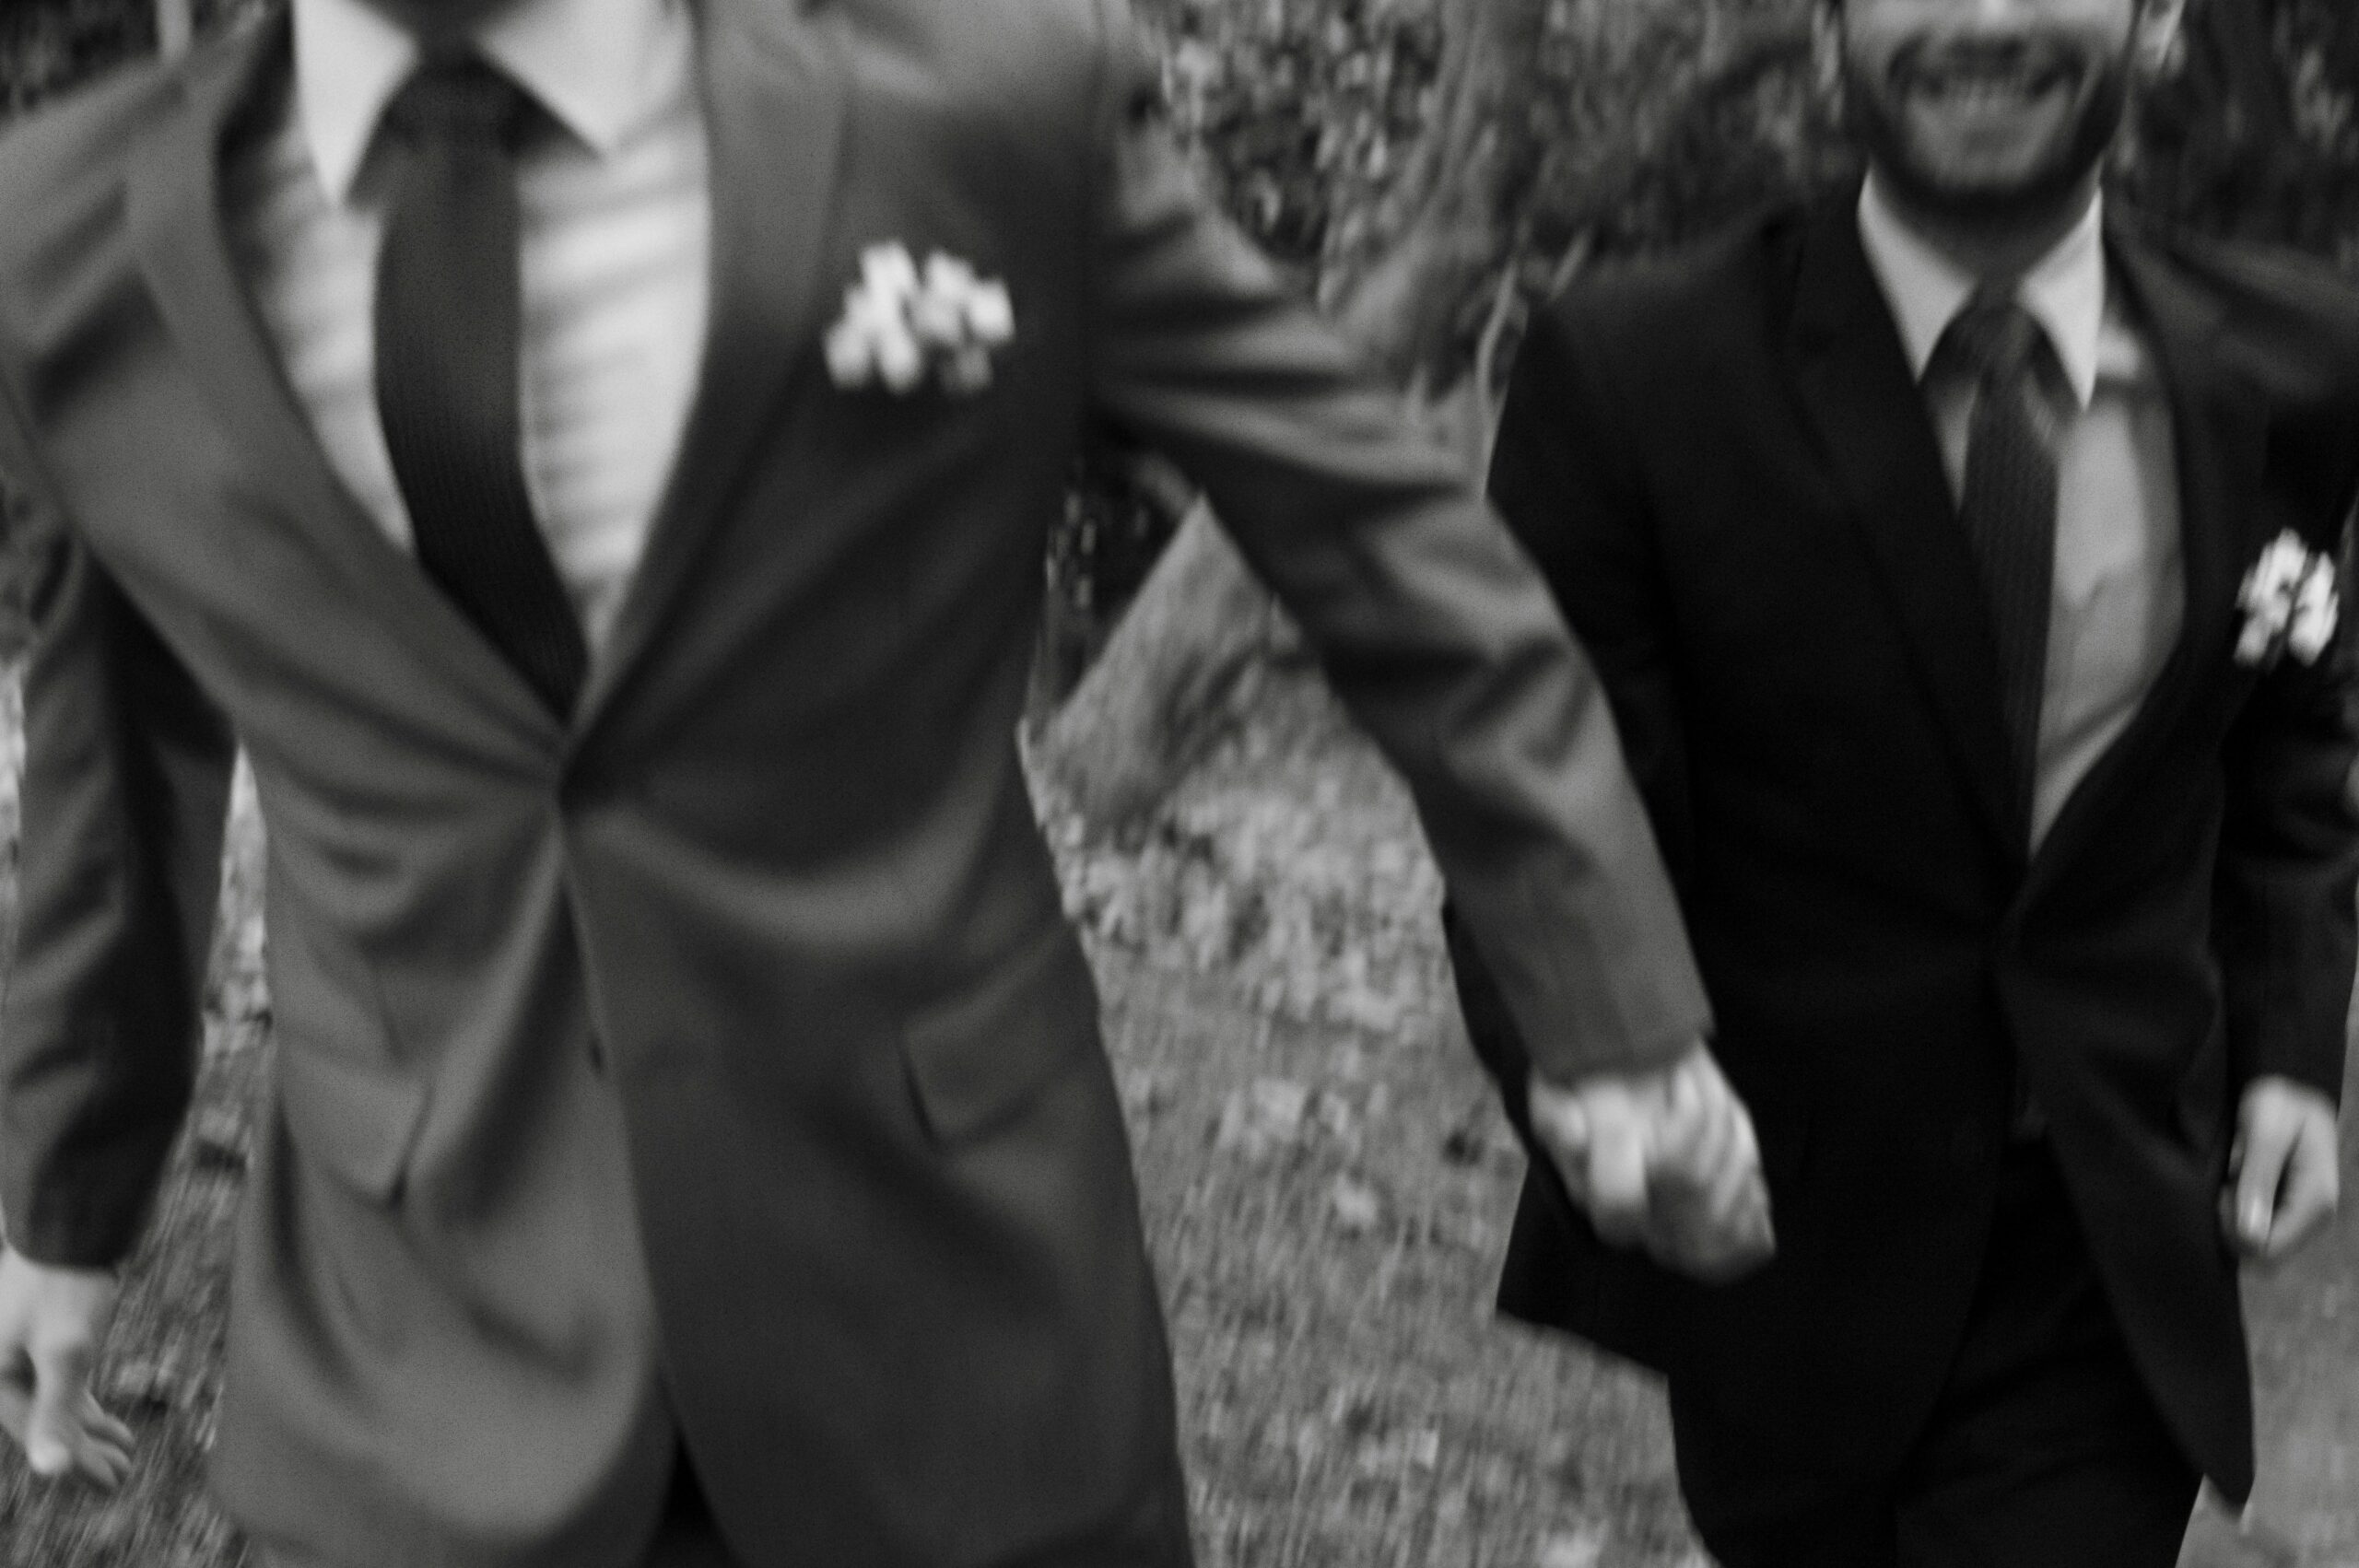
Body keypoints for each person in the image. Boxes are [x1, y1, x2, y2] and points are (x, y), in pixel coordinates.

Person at [0, 0, 1774, 1562]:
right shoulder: (69, 239)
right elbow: (115, 736)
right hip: (423, 1351)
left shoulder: (982, 111)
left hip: (948, 1325)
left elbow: (1388, 549)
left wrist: (1608, 1012)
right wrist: (66, 1197)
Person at [1449, 0, 2355, 1562]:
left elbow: (2278, 728)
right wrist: (1598, 1069)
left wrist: (2289, 1046)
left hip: (2102, 1239)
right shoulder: (1635, 375)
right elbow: (1544, 809)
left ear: (2152, 25)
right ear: (1829, 26)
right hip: (1782, 1243)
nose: (1986, 18)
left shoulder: (2295, 367)